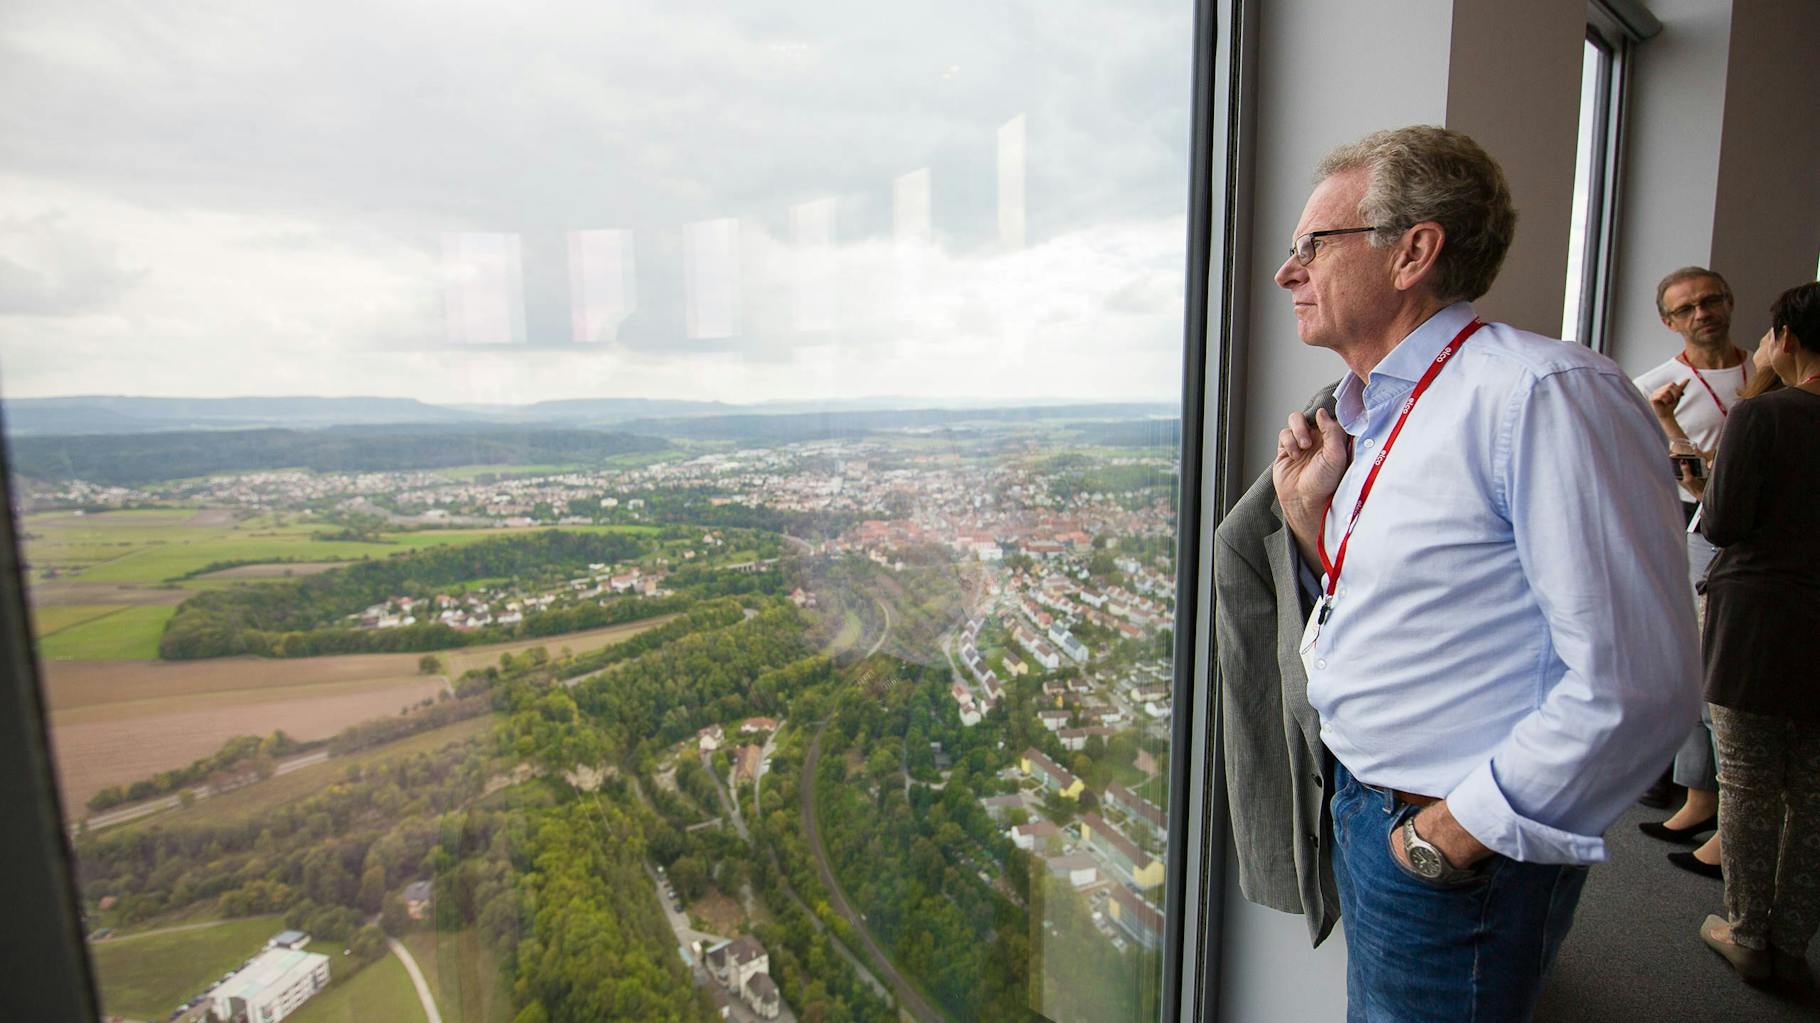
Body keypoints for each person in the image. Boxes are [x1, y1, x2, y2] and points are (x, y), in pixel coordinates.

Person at [1268, 125, 1700, 1021]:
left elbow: (1641, 682)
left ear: (1413, 251)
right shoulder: (1379, 416)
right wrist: (1313, 517)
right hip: (1369, 807)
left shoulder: (1542, 394)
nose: (1287, 271)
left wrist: (1448, 835)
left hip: (1451, 844)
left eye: (1312, 244)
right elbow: (1411, 604)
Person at [1693, 281, 1820, 987]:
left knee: (1746, 781)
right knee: (1814, 790)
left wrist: (1759, 385)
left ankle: (1746, 931)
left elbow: (1721, 522)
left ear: (1785, 338)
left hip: (1759, 618)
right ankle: (1793, 941)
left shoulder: (1762, 415)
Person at [1646, 336, 1786, 881]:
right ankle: (1702, 801)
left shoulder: (1767, 409)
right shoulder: (1759, 401)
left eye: (1773, 332)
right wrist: (1669, 422)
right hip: (1714, 542)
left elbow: (1724, 508)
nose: (1763, 340)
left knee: (1720, 692)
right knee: (1699, 674)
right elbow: (1712, 491)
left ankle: (1731, 834)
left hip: (1742, 564)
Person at [1632, 266, 1750, 825]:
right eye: (1686, 309)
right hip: (1682, 523)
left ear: (1728, 303)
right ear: (1668, 321)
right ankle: (1678, 780)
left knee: (1727, 659)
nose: (1701, 314)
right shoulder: (1650, 387)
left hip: (1754, 529)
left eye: (1710, 301)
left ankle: (1711, 792)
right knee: (1681, 652)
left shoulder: (1766, 374)